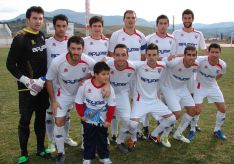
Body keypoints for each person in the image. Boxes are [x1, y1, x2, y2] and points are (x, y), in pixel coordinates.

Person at [6, 6, 51, 164]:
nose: (38, 21)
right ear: (28, 19)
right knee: (25, 120)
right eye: (35, 18)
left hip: (43, 87)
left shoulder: (42, 35)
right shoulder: (20, 38)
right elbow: (10, 65)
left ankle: (40, 149)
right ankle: (23, 153)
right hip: (27, 88)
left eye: (40, 18)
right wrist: (26, 80)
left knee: (41, 118)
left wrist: (43, 80)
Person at [46, 36, 96, 163]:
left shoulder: (88, 61)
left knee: (89, 119)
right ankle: (61, 152)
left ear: (83, 49)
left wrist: (88, 77)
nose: (76, 52)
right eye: (73, 48)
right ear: (68, 48)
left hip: (81, 94)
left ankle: (86, 146)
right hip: (63, 95)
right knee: (59, 121)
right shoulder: (58, 61)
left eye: (79, 49)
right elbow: (49, 80)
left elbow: (100, 71)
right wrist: (53, 101)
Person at [108, 10, 147, 141]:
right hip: (120, 73)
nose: (130, 20)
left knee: (137, 100)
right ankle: (114, 132)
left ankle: (137, 130)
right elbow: (110, 54)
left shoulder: (141, 36)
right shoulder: (116, 34)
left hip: (134, 75)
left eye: (133, 18)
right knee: (114, 101)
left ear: (136, 20)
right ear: (123, 19)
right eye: (128, 18)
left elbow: (143, 57)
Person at [129, 43, 176, 148]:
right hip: (140, 101)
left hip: (154, 100)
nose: (151, 57)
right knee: (132, 124)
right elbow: (123, 62)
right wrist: (106, 59)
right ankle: (133, 138)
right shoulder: (139, 65)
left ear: (157, 55)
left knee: (172, 118)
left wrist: (171, 57)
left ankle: (154, 134)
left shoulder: (162, 65)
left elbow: (172, 62)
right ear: (145, 55)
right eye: (149, 55)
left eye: (154, 55)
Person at [45, 14, 78, 153]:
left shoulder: (70, 44)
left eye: (64, 26)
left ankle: (65, 137)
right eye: (58, 26)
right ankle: (51, 141)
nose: (61, 29)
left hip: (66, 85)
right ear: (54, 26)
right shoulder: (46, 43)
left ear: (67, 27)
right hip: (51, 84)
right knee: (51, 113)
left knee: (66, 113)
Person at [173, 9, 208, 131]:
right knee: (176, 96)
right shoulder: (176, 33)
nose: (187, 20)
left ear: (192, 19)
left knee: (192, 96)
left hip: (192, 71)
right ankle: (170, 123)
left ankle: (192, 123)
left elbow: (204, 52)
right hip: (179, 70)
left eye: (189, 18)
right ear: (182, 19)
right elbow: (173, 51)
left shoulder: (198, 34)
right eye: (185, 18)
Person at [75, 61, 116, 164]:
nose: (106, 76)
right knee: (88, 137)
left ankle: (104, 156)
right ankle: (87, 157)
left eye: (107, 74)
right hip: (89, 115)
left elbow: (112, 105)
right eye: (103, 74)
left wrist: (108, 120)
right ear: (95, 74)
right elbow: (78, 101)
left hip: (102, 115)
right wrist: (82, 115)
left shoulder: (109, 88)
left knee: (102, 137)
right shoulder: (85, 84)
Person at [144, 14, 176, 136]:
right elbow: (144, 57)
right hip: (152, 76)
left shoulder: (172, 39)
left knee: (167, 100)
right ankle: (145, 126)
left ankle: (166, 124)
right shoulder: (149, 38)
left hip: (167, 76)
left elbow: (173, 57)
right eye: (160, 23)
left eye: (165, 23)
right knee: (149, 100)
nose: (163, 26)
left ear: (168, 25)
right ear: (156, 25)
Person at [188, 43, 227, 140]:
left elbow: (221, 74)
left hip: (213, 87)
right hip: (200, 87)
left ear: (220, 53)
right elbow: (189, 63)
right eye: (212, 52)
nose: (214, 54)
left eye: (216, 52)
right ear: (208, 53)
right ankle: (192, 129)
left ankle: (217, 130)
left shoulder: (222, 65)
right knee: (197, 110)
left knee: (223, 109)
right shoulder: (200, 60)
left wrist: (212, 81)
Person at [160, 45, 198, 143]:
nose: (191, 57)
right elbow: (162, 59)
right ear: (184, 56)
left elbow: (209, 58)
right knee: (176, 114)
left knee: (192, 111)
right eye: (188, 55)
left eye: (193, 55)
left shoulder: (197, 64)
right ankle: (164, 136)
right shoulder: (174, 62)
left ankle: (178, 134)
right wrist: (172, 56)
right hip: (169, 88)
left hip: (182, 88)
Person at [106, 44, 136, 153]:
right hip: (108, 94)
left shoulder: (132, 67)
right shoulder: (107, 64)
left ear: (127, 56)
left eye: (123, 55)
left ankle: (120, 140)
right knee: (102, 119)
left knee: (127, 120)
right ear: (113, 56)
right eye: (117, 55)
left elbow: (133, 85)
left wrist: (133, 100)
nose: (120, 58)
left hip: (123, 94)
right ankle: (104, 140)